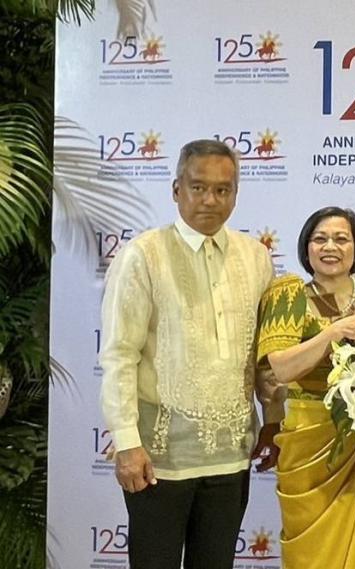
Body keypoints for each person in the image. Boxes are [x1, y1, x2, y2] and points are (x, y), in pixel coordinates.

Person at [99, 139, 281, 569]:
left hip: (232, 455)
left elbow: (264, 353)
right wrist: (127, 443)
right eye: (198, 187)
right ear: (176, 189)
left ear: (235, 193)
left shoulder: (256, 258)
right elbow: (119, 355)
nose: (210, 200)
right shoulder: (143, 255)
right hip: (158, 458)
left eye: (223, 190)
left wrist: (273, 420)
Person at [255, 206, 355, 569]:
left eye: (341, 239)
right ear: (306, 247)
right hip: (307, 437)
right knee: (310, 554)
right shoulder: (288, 294)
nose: (330, 247)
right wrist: (335, 332)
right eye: (320, 239)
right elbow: (282, 367)